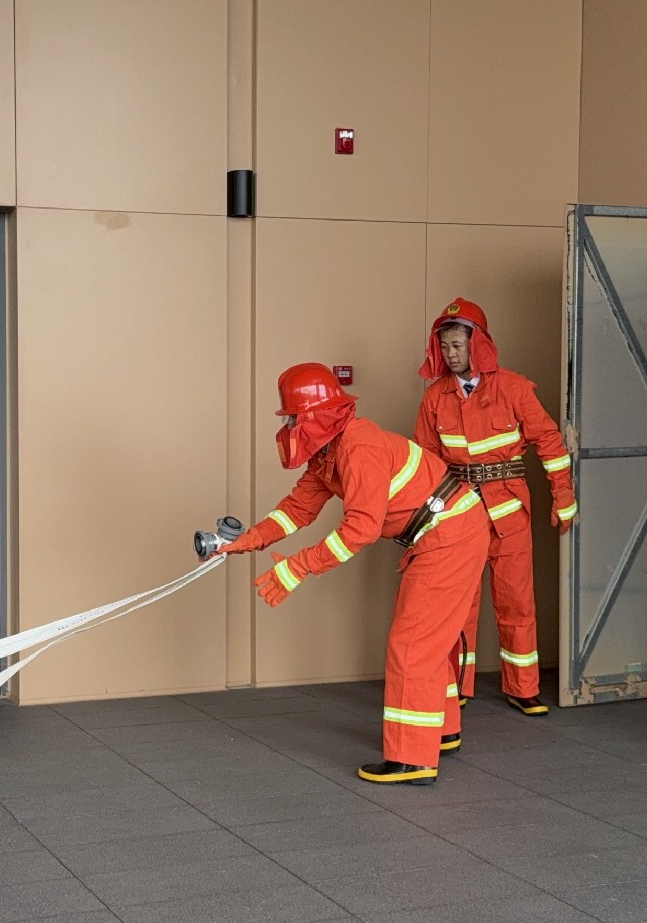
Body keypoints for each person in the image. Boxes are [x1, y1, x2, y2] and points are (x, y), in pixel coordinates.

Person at [218, 363, 489, 784]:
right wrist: (251, 539)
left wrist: (298, 567)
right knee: (428, 641)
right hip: (447, 532)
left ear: (315, 416)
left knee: (412, 645)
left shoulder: (359, 448)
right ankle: (442, 731)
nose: (288, 428)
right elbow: (297, 510)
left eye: (292, 418)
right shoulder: (329, 453)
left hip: (449, 536)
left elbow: (361, 529)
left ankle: (412, 759)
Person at [415, 298, 576, 717]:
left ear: (478, 345)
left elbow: (550, 442)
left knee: (516, 601)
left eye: (457, 346)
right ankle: (455, 687)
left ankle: (523, 688)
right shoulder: (434, 398)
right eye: (444, 347)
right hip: (458, 513)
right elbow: (426, 462)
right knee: (458, 604)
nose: (450, 354)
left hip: (509, 512)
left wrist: (563, 495)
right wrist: (426, 519)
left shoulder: (514, 388)